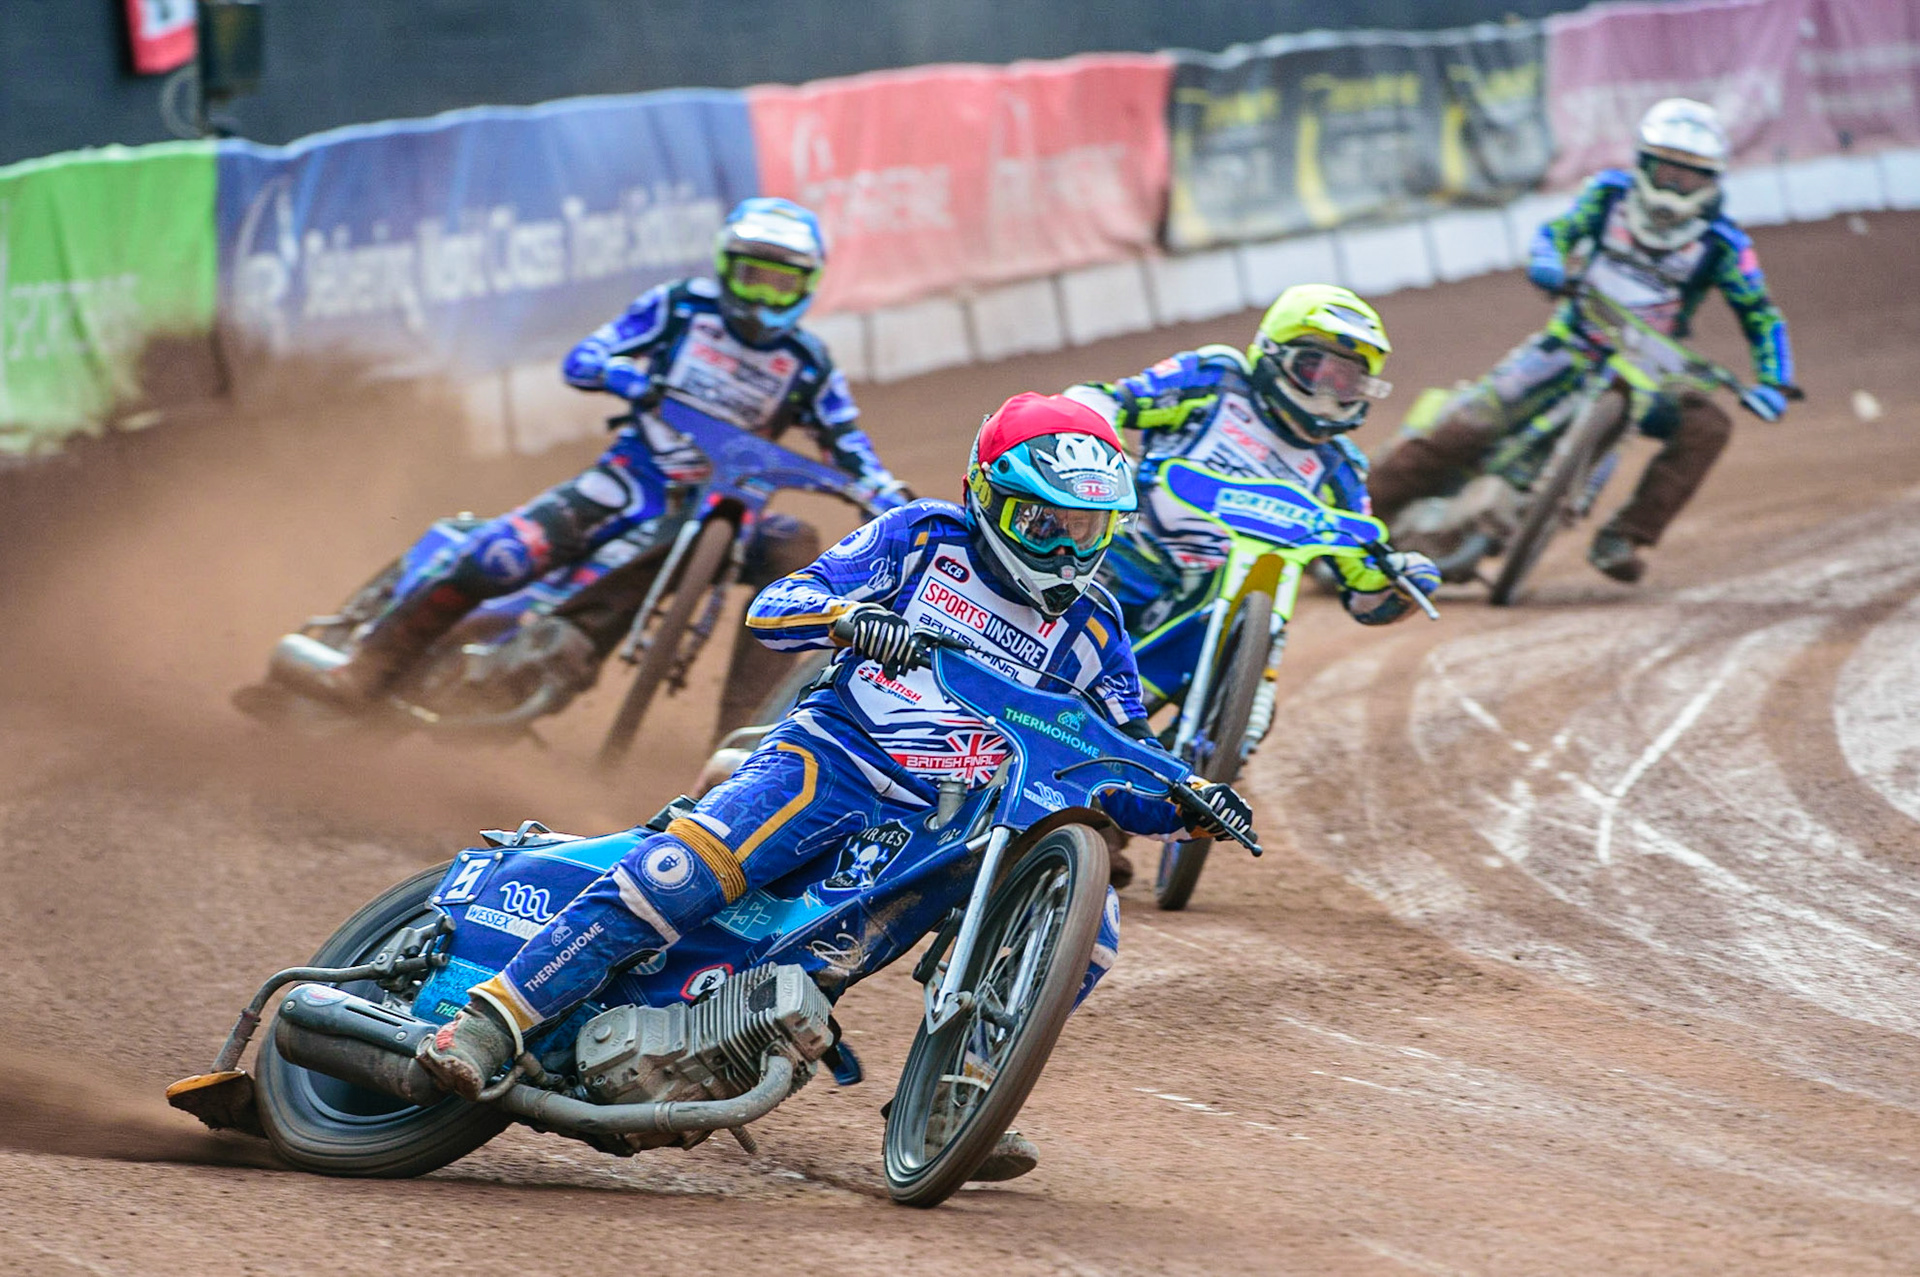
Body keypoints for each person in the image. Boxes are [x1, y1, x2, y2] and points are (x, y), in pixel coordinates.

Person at [415, 392, 1258, 1180]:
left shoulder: (1095, 624)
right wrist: (849, 618)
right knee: (682, 874)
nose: (1070, 550)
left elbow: (1125, 750)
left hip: (952, 819)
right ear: (990, 499)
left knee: (1094, 927)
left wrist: (1189, 800)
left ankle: (955, 1096)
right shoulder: (921, 538)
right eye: (1047, 524)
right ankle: (495, 1021)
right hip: (836, 755)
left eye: (1090, 528)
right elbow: (782, 601)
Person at [295, 197, 908, 739]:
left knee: (794, 546)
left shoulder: (808, 362)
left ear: (806, 286)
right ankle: (367, 670)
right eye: (752, 279)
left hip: (726, 517)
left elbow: (845, 441)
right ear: (724, 270)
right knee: (500, 557)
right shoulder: (678, 308)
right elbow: (587, 356)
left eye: (780, 285)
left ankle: (745, 739)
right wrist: (620, 373)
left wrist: (879, 491)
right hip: (624, 485)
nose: (762, 299)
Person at [1366, 98, 1798, 584]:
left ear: (1712, 179)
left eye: (1689, 175)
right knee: (1468, 422)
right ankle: (1354, 524)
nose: (1674, 184)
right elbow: (1558, 231)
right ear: (1643, 163)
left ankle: (1626, 535)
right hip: (1570, 343)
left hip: (1652, 371)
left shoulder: (1724, 245)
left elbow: (1760, 313)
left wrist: (1775, 380)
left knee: (1708, 426)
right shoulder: (1609, 195)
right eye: (1666, 169)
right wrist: (1549, 261)